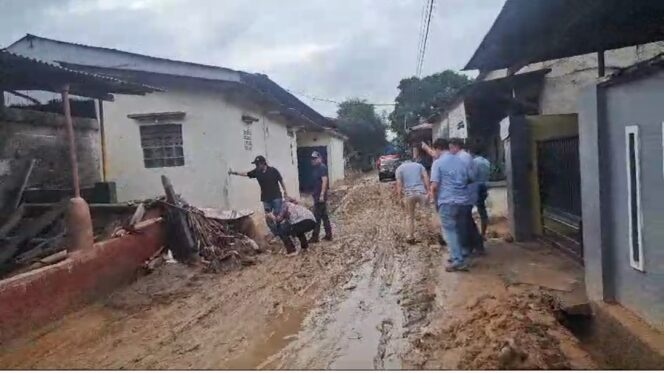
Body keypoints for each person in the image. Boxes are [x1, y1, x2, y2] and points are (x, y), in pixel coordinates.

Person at [430, 138, 474, 272]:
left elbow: (435, 186)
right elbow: (469, 178)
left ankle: (457, 260)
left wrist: (434, 201)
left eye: (434, 151)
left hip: (447, 201)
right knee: (459, 229)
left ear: (438, 149)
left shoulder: (437, 163)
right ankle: (462, 254)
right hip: (463, 201)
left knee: (449, 231)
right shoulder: (460, 160)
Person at [229, 155, 288, 239]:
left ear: (263, 163)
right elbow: (246, 174)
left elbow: (281, 180)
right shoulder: (257, 172)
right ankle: (276, 233)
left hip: (276, 197)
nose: (256, 166)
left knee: (278, 216)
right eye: (256, 165)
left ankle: (282, 234)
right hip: (266, 199)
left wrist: (285, 192)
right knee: (268, 218)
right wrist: (235, 173)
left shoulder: (273, 170)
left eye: (258, 164)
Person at [449, 138, 484, 257]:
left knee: (462, 222)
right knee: (467, 220)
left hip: (465, 195)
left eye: (451, 147)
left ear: (456, 146)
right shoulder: (464, 156)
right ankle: (478, 246)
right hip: (468, 193)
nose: (450, 150)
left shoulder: (461, 158)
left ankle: (466, 248)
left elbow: (465, 177)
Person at [395, 147, 431, 244]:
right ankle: (434, 234)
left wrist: (400, 198)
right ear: (412, 159)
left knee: (409, 216)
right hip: (421, 192)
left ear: (402, 161)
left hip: (409, 194)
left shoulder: (399, 169)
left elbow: (399, 185)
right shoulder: (419, 166)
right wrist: (429, 191)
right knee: (427, 214)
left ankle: (410, 237)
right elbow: (426, 178)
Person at [470, 143, 491, 239]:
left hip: (476, 187)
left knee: (468, 211)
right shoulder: (487, 162)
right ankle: (483, 233)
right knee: (482, 211)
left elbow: (472, 177)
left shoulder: (474, 162)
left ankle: (474, 235)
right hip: (485, 186)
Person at [310, 151, 332, 242]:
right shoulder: (316, 169)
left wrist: (322, 194)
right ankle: (328, 235)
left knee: (317, 217)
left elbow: (325, 181)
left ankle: (315, 237)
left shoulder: (322, 168)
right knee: (324, 216)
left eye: (315, 158)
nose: (313, 160)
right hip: (317, 196)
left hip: (320, 196)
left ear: (320, 158)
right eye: (312, 159)